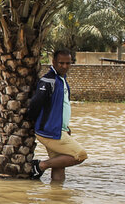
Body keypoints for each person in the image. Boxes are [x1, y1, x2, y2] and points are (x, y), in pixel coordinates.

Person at [27, 48, 88, 182]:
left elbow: (61, 106)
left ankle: (56, 198)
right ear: (54, 62)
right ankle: (41, 165)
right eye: (61, 63)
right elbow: (35, 104)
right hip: (50, 131)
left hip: (58, 129)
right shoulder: (48, 81)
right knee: (80, 155)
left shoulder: (61, 80)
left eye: (68, 63)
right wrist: (35, 123)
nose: (65, 66)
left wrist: (65, 127)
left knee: (59, 166)